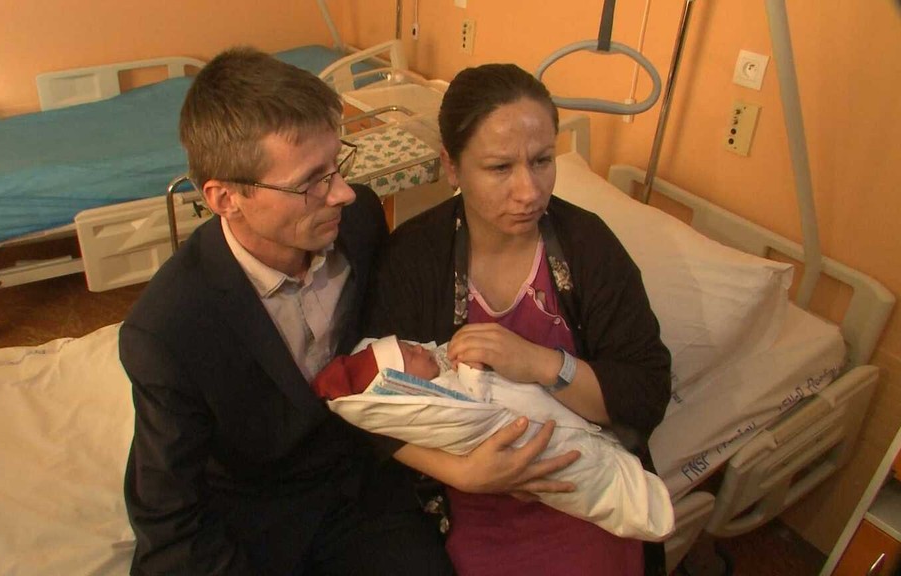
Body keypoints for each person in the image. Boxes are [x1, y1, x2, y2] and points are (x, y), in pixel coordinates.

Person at [120, 48, 573, 576]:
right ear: (225, 198)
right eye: (310, 182)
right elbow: (170, 522)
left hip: (364, 488)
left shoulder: (357, 226)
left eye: (338, 165)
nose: (342, 193)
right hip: (256, 514)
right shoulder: (169, 329)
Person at [364, 63, 673, 575]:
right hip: (462, 493)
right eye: (500, 168)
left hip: (580, 488)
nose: (529, 191)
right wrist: (467, 474)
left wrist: (544, 364)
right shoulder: (414, 258)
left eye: (542, 160)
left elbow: (645, 395)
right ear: (451, 167)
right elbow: (371, 404)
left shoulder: (587, 247)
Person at [311, 335, 675, 542]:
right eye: (410, 354)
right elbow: (469, 414)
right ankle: (641, 505)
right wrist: (474, 373)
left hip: (571, 423)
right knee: (588, 475)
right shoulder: (430, 406)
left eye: (412, 345)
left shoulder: (439, 374)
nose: (421, 348)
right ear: (403, 385)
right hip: (513, 461)